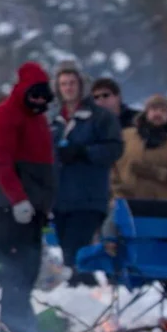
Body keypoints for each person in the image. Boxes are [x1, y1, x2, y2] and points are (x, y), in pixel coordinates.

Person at [0, 63, 57, 332]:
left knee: (28, 270)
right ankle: (12, 328)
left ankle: (21, 326)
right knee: (14, 270)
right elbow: (0, 161)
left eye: (43, 97)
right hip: (9, 209)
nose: (39, 102)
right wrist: (16, 199)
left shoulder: (38, 120)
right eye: (34, 96)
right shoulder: (4, 116)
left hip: (34, 207)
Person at [51, 61, 122, 285]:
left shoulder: (100, 117)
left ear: (81, 86)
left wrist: (84, 152)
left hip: (89, 196)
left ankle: (83, 298)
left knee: (76, 252)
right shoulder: (54, 120)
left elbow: (115, 149)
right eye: (63, 84)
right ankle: (85, 294)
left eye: (72, 83)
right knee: (68, 254)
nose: (68, 88)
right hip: (60, 197)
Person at [111, 94, 167, 201]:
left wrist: (160, 173)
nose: (158, 113)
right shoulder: (125, 137)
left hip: (159, 207)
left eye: (163, 111)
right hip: (122, 204)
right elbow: (110, 165)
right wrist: (116, 192)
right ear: (146, 112)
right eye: (154, 109)